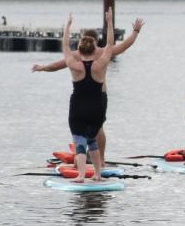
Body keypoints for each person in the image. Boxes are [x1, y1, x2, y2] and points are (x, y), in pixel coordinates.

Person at [33, 16, 143, 160]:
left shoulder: (76, 55)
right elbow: (125, 45)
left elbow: (56, 65)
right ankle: (100, 159)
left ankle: (83, 158)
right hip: (99, 96)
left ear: (81, 41)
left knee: (80, 129)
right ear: (96, 41)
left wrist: (41, 68)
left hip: (83, 97)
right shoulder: (104, 53)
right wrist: (135, 31)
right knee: (98, 128)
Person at [62, 10, 117, 182]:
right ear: (94, 49)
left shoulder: (73, 65)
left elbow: (64, 47)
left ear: (79, 49)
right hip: (96, 109)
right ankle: (98, 174)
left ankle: (80, 175)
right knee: (92, 140)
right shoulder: (100, 64)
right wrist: (109, 23)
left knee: (79, 141)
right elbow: (109, 44)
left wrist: (67, 27)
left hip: (78, 108)